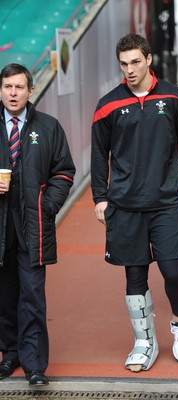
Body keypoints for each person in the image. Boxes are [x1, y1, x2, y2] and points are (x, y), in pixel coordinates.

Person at [91, 33, 178, 372]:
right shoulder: (108, 104)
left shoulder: (174, 97)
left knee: (172, 271)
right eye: (124, 64)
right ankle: (144, 342)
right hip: (124, 206)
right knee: (135, 275)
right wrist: (100, 198)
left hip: (167, 201)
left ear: (149, 59)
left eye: (136, 61)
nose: (130, 69)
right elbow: (99, 157)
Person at [0, 64, 75, 385]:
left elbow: (64, 171)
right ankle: (10, 354)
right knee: (4, 296)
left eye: (19, 87)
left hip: (33, 225)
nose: (13, 93)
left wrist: (47, 207)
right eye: (7, 87)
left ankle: (35, 365)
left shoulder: (47, 126)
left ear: (31, 90)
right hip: (1, 226)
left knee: (32, 294)